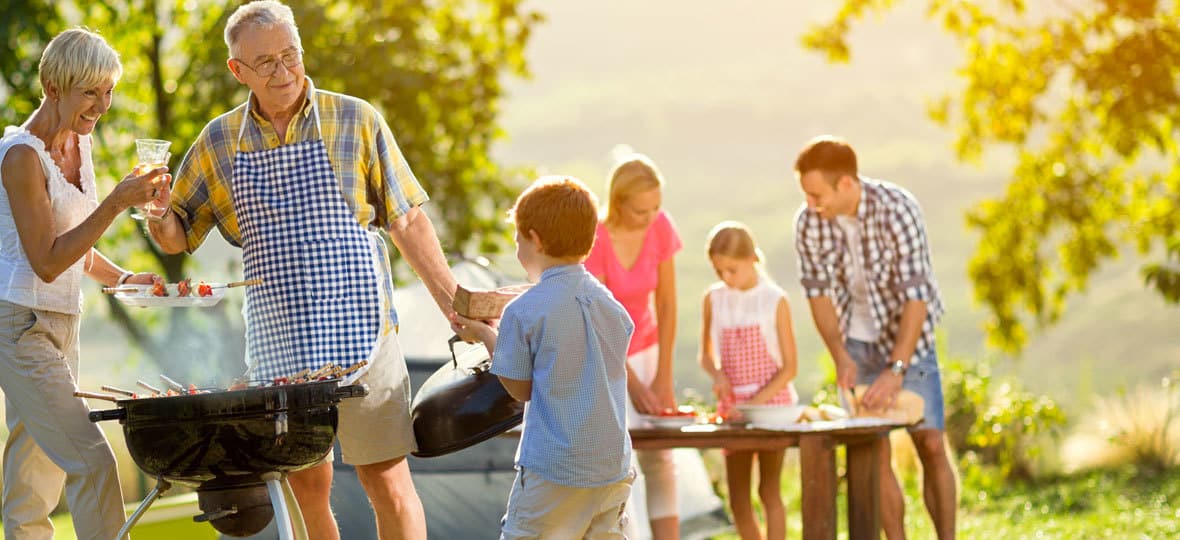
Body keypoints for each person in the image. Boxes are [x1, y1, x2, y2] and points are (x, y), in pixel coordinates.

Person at [145, 2, 459, 538]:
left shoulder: (355, 118)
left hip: (362, 330)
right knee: (306, 485)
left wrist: (459, 306)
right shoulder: (219, 141)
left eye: (290, 55)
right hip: (281, 342)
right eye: (265, 62)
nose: (284, 71)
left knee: (386, 480)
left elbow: (407, 221)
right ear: (237, 70)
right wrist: (156, 210)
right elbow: (178, 234)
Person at [0, 28, 168, 539]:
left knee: (33, 484)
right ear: (54, 87)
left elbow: (75, 243)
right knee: (92, 463)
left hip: (64, 324)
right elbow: (48, 261)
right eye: (90, 91)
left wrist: (122, 278)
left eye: (108, 90)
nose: (102, 104)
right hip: (22, 328)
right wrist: (117, 203)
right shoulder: (20, 157)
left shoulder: (80, 140)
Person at [451, 175, 635, 539]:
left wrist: (487, 334)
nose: (519, 249)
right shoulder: (612, 306)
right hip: (612, 467)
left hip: (556, 468)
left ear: (534, 239)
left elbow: (520, 388)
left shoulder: (525, 309)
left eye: (519, 239)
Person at [792, 135, 957, 539]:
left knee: (931, 443)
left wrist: (897, 369)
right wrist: (840, 356)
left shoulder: (898, 209)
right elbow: (817, 291)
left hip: (910, 341)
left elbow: (917, 295)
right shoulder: (809, 220)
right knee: (873, 450)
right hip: (857, 343)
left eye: (817, 195)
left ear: (845, 184)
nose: (812, 205)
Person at [583, 151, 681, 539]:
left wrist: (663, 376)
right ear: (619, 202)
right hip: (609, 357)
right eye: (642, 210)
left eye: (657, 206)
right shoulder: (597, 239)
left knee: (661, 457)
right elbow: (601, 320)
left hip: (650, 349)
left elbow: (669, 304)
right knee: (618, 460)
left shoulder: (660, 228)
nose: (651, 217)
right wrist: (633, 383)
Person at [698, 221, 798, 540]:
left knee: (769, 491)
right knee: (738, 498)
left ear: (752, 259)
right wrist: (718, 376)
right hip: (733, 410)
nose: (726, 278)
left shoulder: (774, 300)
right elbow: (706, 355)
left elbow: (790, 368)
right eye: (719, 271)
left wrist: (755, 403)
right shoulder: (714, 299)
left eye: (732, 269)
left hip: (771, 408)